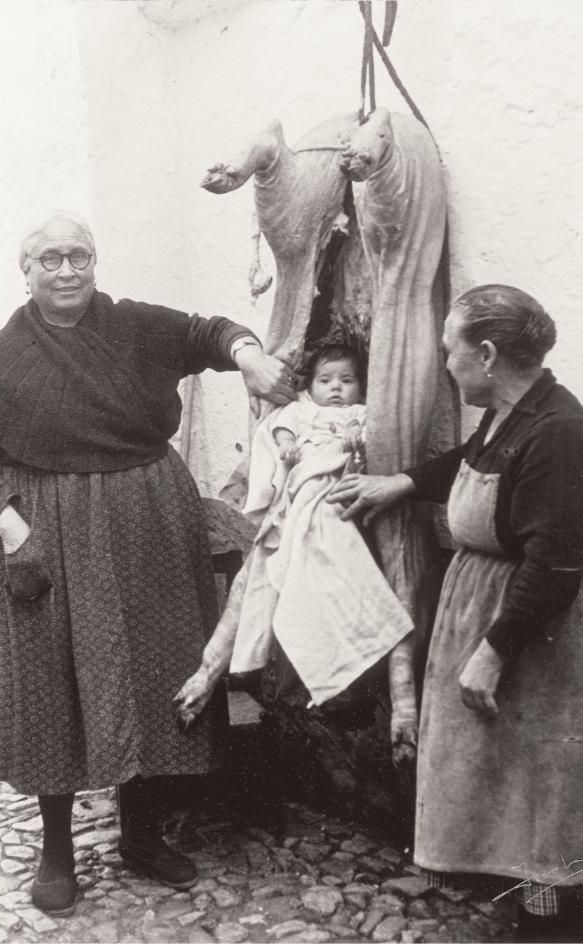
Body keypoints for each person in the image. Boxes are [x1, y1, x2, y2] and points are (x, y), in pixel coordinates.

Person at [0, 210, 297, 917]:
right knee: (52, 677)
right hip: (47, 527)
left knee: (154, 665)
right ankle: (58, 850)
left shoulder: (131, 324)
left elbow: (207, 333)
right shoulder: (2, 356)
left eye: (80, 256)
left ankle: (141, 832)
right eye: (50, 260)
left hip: (147, 519)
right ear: (25, 272)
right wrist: (12, 532)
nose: (67, 270)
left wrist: (249, 354)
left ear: (96, 262)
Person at [326, 284, 583, 941]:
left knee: (537, 786)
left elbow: (554, 562)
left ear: (488, 354)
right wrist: (405, 482)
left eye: (451, 351)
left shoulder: (556, 430)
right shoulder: (507, 412)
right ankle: (524, 900)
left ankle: (549, 923)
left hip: (530, 630)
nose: (445, 364)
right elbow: (467, 465)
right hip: (485, 605)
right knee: (502, 774)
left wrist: (492, 653)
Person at [175, 343, 414, 752]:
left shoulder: (360, 414)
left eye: (346, 380)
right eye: (326, 381)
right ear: (311, 385)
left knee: (322, 545)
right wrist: (286, 445)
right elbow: (281, 429)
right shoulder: (301, 409)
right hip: (304, 483)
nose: (336, 389)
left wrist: (357, 439)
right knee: (295, 544)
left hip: (336, 484)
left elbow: (369, 441)